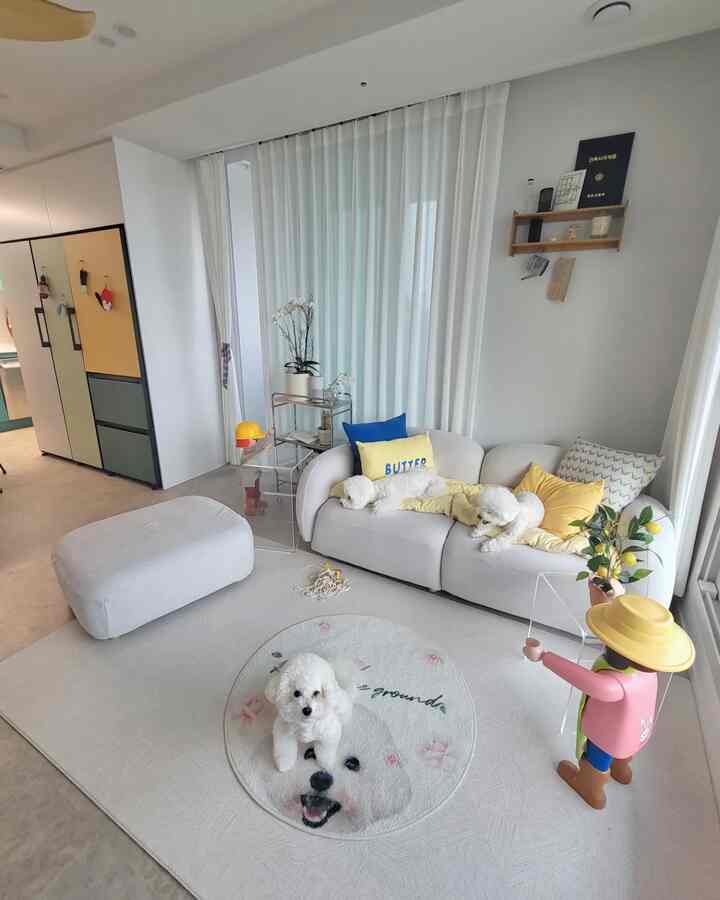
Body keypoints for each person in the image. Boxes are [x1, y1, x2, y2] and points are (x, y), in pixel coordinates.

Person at [523, 594, 695, 809]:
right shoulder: (648, 672)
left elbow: (582, 679)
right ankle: (621, 770)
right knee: (625, 751)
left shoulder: (614, 684)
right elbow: (618, 629)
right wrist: (607, 596)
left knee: (597, 756)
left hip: (608, 735)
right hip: (638, 729)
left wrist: (544, 656)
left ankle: (590, 788)